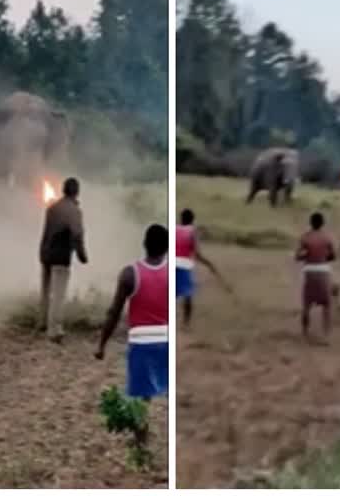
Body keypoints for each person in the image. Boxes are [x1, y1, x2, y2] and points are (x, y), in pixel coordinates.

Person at [95, 225, 168, 432]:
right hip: (166, 342)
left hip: (141, 345)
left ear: (144, 244)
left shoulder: (130, 274)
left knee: (140, 402)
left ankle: (140, 446)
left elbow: (114, 312)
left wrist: (101, 344)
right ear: (167, 249)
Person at [39, 177, 88, 344]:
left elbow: (46, 232)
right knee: (58, 294)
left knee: (46, 292)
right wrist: (82, 255)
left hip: (46, 254)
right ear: (77, 191)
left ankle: (42, 323)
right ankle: (54, 331)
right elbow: (77, 234)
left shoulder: (52, 208)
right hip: (60, 256)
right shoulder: (74, 211)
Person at [176, 209, 223, 330]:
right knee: (187, 296)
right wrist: (209, 264)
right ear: (192, 220)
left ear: (181, 219)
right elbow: (197, 254)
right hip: (184, 265)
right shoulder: (192, 232)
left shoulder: (174, 229)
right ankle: (185, 324)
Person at [296, 212, 336, 345]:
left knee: (306, 305)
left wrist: (307, 255)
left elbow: (298, 256)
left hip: (310, 272)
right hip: (323, 271)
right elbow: (332, 256)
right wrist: (323, 256)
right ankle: (327, 336)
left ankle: (305, 333)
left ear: (310, 223)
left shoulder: (305, 237)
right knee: (327, 305)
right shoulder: (327, 238)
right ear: (322, 223)